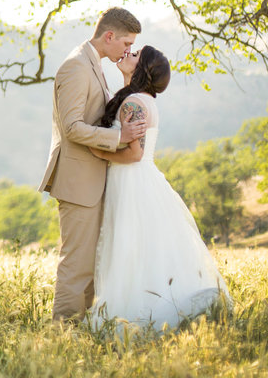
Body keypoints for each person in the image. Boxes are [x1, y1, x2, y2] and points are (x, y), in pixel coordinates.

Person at [87, 46, 231, 333]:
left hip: (132, 180)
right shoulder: (144, 100)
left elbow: (134, 154)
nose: (129, 52)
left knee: (131, 246)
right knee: (144, 246)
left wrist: (100, 154)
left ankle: (136, 317)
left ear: (144, 68)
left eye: (137, 53)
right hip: (139, 179)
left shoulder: (134, 103)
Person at [40, 7, 147, 321]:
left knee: (89, 263)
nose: (128, 51)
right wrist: (119, 138)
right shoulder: (75, 66)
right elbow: (72, 127)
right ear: (109, 36)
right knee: (77, 265)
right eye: (126, 44)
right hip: (77, 182)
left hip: (91, 179)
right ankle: (63, 333)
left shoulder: (94, 64)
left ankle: (80, 329)